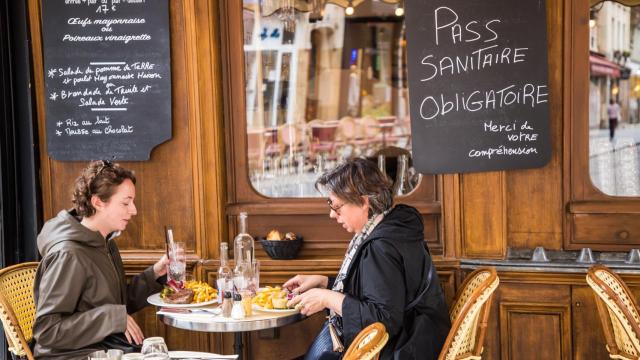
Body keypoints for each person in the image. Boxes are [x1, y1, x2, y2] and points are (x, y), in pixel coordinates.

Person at [283, 158, 450, 360]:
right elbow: (382, 291)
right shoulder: (394, 227)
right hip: (418, 341)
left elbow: (383, 320)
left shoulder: (381, 247)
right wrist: (325, 282)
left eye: (337, 207)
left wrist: (326, 297)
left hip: (395, 351)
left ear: (364, 202)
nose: (332, 215)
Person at [33, 160, 170, 360]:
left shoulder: (104, 243)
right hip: (73, 356)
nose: (134, 210)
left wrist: (155, 274)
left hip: (107, 349)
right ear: (98, 202)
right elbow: (47, 331)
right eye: (125, 202)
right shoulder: (69, 254)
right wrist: (112, 317)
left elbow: (113, 303)